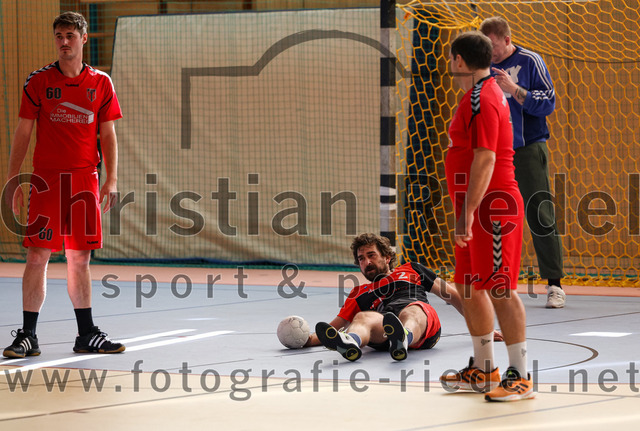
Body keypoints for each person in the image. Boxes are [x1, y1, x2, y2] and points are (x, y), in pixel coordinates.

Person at [2, 11, 125, 358]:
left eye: (70, 35)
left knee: (79, 258)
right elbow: (23, 132)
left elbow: (108, 134)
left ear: (84, 38)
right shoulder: (39, 81)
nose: (64, 42)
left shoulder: (101, 83)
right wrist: (13, 179)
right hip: (46, 181)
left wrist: (111, 178)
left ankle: (86, 334)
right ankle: (28, 336)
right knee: (37, 255)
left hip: (85, 180)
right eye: (59, 36)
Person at [439, 31, 534, 401]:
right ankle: (483, 369)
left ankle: (520, 376)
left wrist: (467, 212)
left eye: (451, 59)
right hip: (475, 209)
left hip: (492, 208)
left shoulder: (483, 97)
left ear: (459, 60)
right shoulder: (475, 96)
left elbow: (487, 157)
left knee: (499, 288)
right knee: (468, 286)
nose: (450, 65)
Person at [479, 16, 565, 309]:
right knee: (494, 214)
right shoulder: (483, 67)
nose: (490, 52)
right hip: (495, 150)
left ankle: (555, 284)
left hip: (527, 148)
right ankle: (495, 281)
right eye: (485, 46)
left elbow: (548, 102)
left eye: (493, 46)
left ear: (507, 39)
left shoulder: (530, 61)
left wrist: (514, 88)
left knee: (540, 213)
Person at [307, 233, 471, 362]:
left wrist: (478, 327)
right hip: (386, 330)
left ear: (387, 257)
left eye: (372, 255)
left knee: (413, 310)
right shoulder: (358, 293)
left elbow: (452, 296)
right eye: (361, 258)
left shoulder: (412, 269)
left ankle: (404, 337)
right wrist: (303, 339)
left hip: (422, 323)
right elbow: (331, 330)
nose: (367, 262)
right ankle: (351, 342)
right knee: (363, 317)